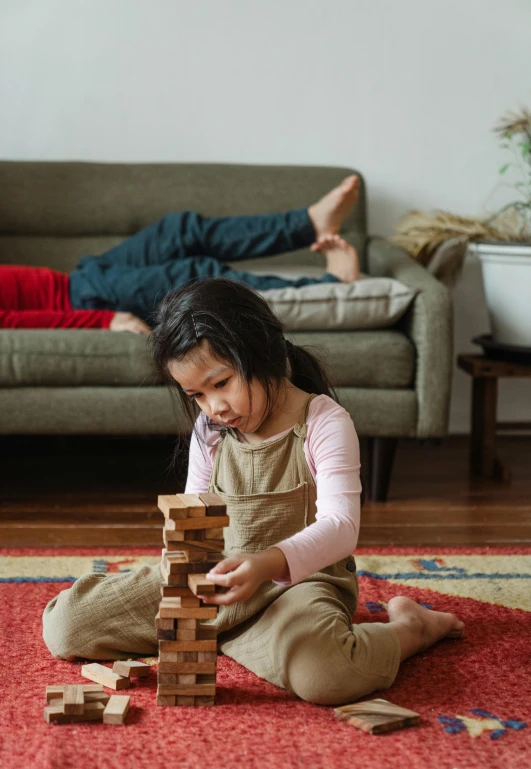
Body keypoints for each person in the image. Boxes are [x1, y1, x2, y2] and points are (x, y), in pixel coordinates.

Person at [42, 277, 465, 706]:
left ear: (259, 350)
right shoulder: (210, 430)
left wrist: (266, 564)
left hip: (296, 586)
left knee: (330, 674)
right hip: (217, 581)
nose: (213, 407)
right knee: (67, 626)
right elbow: (192, 517)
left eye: (221, 383)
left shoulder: (323, 421)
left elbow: (341, 527)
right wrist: (183, 590)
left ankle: (411, 628)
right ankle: (232, 636)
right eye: (197, 395)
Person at [0, 176, 360, 333]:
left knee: (180, 229)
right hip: (86, 301)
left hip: (82, 277)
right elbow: (13, 325)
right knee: (198, 274)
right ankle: (327, 286)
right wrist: (100, 321)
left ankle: (308, 224)